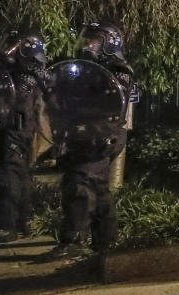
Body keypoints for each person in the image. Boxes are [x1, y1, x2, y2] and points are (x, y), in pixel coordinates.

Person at [39, 21, 136, 264]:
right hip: (83, 133)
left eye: (93, 41)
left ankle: (74, 241)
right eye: (86, 40)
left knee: (79, 183)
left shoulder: (118, 70)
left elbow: (112, 104)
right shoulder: (85, 68)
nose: (87, 45)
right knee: (97, 186)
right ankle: (106, 241)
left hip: (103, 133)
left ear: (109, 43)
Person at [0, 30, 52, 247]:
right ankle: (20, 221)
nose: (8, 51)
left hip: (14, 130)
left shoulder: (26, 73)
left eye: (14, 47)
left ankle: (4, 227)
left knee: (5, 177)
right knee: (18, 174)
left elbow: (9, 101)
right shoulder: (22, 71)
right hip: (14, 130)